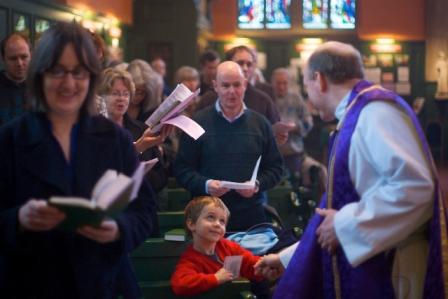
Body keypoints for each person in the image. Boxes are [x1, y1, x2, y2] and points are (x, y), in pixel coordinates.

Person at [256, 41, 446, 299]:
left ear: (319, 80)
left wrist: (345, 224)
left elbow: (415, 189)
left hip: (391, 271)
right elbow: (341, 207)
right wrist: (286, 258)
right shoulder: (356, 114)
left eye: (306, 84)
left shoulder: (376, 113)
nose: (307, 96)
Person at [0, 22, 156, 299]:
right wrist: (18, 220)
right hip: (28, 283)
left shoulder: (114, 139)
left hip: (98, 283)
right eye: (58, 70)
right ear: (40, 75)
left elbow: (143, 211)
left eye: (79, 72)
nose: (69, 83)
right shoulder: (11, 139)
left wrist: (118, 229)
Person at [174, 61, 283, 232]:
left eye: (237, 85)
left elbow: (276, 169)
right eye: (225, 85)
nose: (232, 91)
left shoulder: (261, 124)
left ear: (245, 85)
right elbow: (181, 169)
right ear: (215, 86)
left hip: (252, 218)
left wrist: (257, 184)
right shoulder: (198, 122)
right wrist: (206, 184)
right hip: (207, 218)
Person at [98, 67, 171, 197]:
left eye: (125, 94)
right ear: (102, 96)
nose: (121, 98)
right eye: (115, 93)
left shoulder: (141, 129)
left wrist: (140, 181)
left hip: (141, 199)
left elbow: (161, 175)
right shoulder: (94, 131)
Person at [170, 196, 263, 297]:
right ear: (192, 224)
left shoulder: (229, 247)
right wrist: (216, 278)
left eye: (222, 221)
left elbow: (251, 264)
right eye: (211, 217)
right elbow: (181, 285)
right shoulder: (190, 259)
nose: (218, 224)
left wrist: (265, 266)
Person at [271, 67, 327, 189]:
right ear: (272, 83)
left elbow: (308, 122)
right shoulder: (267, 99)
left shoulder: (296, 99)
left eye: (284, 83)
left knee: (294, 187)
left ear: (289, 83)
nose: (281, 87)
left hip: (293, 153)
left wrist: (296, 126)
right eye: (278, 83)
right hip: (272, 154)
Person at [0, 32, 31, 127]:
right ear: (3, 58)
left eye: (24, 57)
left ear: (31, 55)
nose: (20, 63)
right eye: (13, 58)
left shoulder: (42, 86)